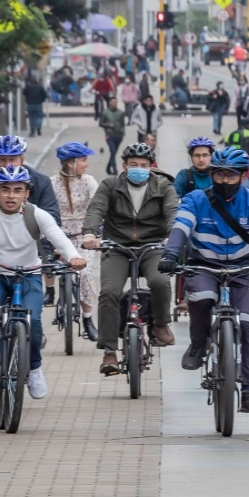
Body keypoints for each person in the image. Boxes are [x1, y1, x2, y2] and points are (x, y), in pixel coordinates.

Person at [158, 148, 249, 412]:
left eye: (231, 175)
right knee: (202, 298)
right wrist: (171, 254)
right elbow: (181, 227)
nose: (224, 181)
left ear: (243, 176)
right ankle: (198, 344)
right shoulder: (196, 199)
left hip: (243, 268)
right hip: (203, 265)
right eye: (219, 174)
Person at [0, 166, 87, 397]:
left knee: (32, 320)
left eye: (17, 190)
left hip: (28, 274)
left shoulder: (37, 215)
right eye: (5, 189)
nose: (11, 195)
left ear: (26, 193)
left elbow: (59, 238)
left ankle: (34, 369)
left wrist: (73, 255)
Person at [81, 143, 178, 375]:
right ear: (124, 166)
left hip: (153, 246)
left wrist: (172, 236)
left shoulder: (163, 186)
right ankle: (109, 352)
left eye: (144, 165)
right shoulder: (110, 185)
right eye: (133, 165)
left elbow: (173, 211)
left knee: (160, 281)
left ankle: (161, 324)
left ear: (151, 167)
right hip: (117, 247)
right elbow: (96, 209)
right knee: (109, 292)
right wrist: (90, 233)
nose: (139, 169)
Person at [0, 135, 62, 301]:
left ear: (22, 158)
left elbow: (53, 216)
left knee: (48, 254)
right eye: (2, 160)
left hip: (31, 241)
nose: (7, 165)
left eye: (12, 160)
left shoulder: (41, 181)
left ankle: (48, 288)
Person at [51, 143, 100, 342]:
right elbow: (46, 212)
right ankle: (48, 292)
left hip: (83, 237)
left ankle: (88, 319)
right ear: (72, 163)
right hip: (58, 237)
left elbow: (98, 207)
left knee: (84, 272)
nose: (87, 165)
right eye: (84, 160)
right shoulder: (52, 183)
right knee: (43, 265)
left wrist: (96, 232)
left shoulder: (89, 182)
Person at [100, 96, 127, 175]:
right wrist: (108, 125)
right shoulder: (105, 112)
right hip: (109, 135)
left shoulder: (121, 113)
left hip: (119, 135)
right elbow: (101, 123)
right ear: (109, 103)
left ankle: (108, 167)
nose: (114, 104)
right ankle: (115, 169)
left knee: (114, 153)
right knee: (112, 151)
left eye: (115, 102)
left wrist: (123, 133)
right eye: (112, 102)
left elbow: (123, 124)